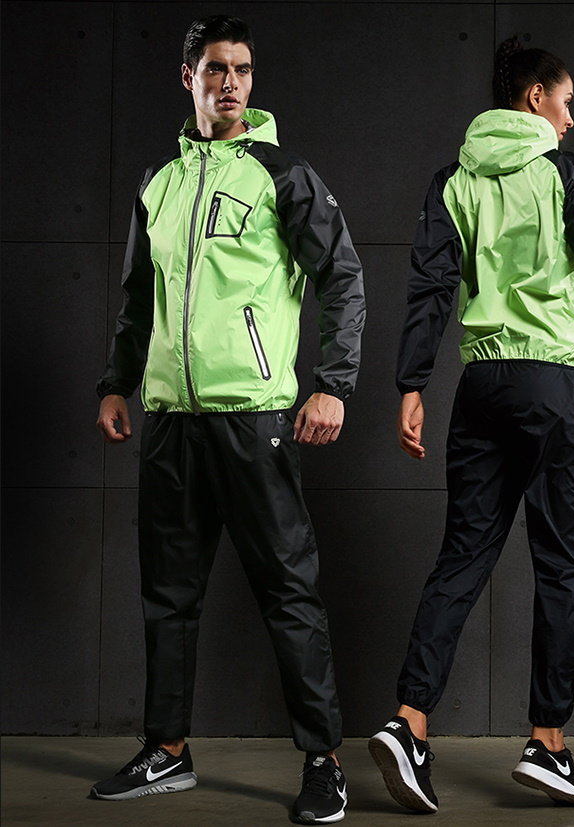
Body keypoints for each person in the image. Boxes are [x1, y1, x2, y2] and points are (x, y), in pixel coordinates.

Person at [369, 35, 574, 813]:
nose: (570, 118)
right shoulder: (566, 173)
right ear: (535, 97)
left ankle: (410, 721)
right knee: (560, 569)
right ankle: (547, 743)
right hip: (558, 386)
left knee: (462, 556)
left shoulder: (454, 179)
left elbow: (429, 287)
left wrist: (411, 385)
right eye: (566, 101)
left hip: (481, 388)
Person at [92, 15, 365, 825]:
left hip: (255, 420)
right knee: (167, 596)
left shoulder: (283, 174)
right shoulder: (159, 183)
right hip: (171, 422)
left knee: (289, 592)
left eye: (242, 69)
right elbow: (137, 298)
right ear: (189, 78)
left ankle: (324, 761)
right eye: (216, 69)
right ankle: (167, 750)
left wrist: (333, 384)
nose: (232, 83)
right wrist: (117, 383)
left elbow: (343, 277)